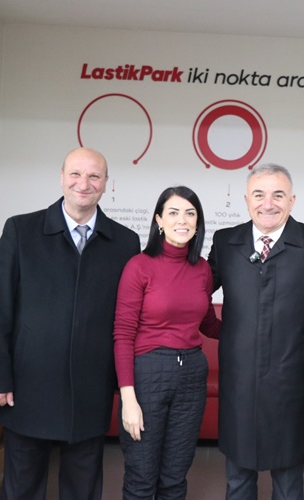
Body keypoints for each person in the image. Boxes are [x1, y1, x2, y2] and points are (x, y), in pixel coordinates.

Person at [0, 147, 141, 500]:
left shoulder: (125, 242)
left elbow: (129, 318)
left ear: (106, 183)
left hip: (90, 388)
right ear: (62, 178)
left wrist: (124, 382)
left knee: (83, 488)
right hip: (27, 386)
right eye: (76, 174)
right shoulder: (21, 230)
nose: (84, 183)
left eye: (94, 176)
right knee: (22, 488)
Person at [208, 163, 304, 499]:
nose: (268, 204)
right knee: (238, 479)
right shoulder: (226, 242)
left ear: (292, 201)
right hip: (239, 384)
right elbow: (194, 292)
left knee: (288, 482)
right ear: (246, 200)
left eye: (278, 195)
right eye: (259, 195)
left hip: (291, 384)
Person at [113, 186, 221, 499]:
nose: (182, 220)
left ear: (198, 223)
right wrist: (128, 399)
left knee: (174, 479)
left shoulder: (202, 269)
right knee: (141, 479)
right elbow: (123, 334)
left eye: (190, 213)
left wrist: (252, 332)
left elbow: (207, 323)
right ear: (159, 220)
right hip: (148, 375)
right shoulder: (139, 266)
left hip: (192, 375)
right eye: (173, 212)